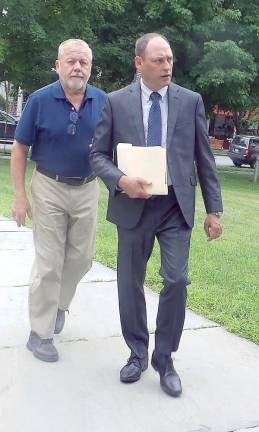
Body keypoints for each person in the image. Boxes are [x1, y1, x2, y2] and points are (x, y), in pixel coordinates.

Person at [90, 33, 223, 397]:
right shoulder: (115, 103)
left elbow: (204, 158)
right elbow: (97, 155)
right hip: (133, 206)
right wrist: (121, 181)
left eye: (170, 60)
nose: (167, 67)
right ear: (139, 63)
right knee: (129, 283)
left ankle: (164, 358)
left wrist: (214, 210)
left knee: (177, 280)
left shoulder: (190, 101)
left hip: (174, 208)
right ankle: (136, 353)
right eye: (158, 60)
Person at [11, 39, 107, 362]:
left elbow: (116, 146)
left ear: (90, 69)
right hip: (48, 187)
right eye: (71, 61)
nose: (78, 67)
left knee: (82, 259)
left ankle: (59, 305)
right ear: (58, 65)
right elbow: (20, 148)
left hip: (87, 188)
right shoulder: (39, 100)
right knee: (49, 261)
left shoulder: (103, 102)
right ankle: (40, 333)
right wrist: (20, 196)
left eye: (84, 63)